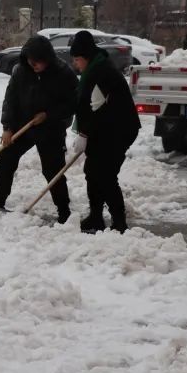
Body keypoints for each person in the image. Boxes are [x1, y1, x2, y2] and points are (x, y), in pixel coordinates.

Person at [0, 35, 78, 223]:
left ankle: (64, 211)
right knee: (6, 159)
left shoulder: (63, 73)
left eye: (38, 61)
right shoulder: (21, 71)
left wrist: (48, 115)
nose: (34, 65)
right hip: (23, 125)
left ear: (48, 58)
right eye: (31, 60)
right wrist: (7, 127)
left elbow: (72, 104)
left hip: (50, 129)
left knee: (53, 169)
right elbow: (10, 99)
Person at [68, 31, 141, 234]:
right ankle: (96, 217)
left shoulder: (101, 73)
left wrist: (84, 134)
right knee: (92, 171)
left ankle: (119, 222)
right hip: (104, 129)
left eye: (77, 59)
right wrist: (85, 133)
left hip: (119, 130)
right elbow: (88, 108)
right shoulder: (94, 70)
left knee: (106, 174)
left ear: (86, 57)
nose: (75, 64)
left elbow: (96, 110)